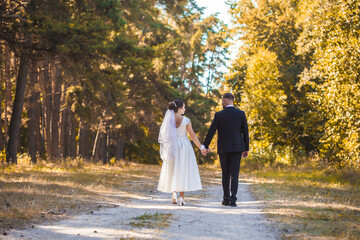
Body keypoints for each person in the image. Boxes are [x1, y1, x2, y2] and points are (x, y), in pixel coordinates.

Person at [201, 93, 249, 207]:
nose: (222, 102)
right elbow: (245, 133)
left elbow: (211, 131)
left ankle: (226, 199)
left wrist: (205, 145)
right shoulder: (241, 114)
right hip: (237, 148)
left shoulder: (219, 115)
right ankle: (233, 200)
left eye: (223, 100)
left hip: (224, 148)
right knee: (235, 174)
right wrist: (246, 148)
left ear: (227, 100)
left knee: (225, 173)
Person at [157, 99, 202, 205]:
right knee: (183, 170)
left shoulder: (168, 119)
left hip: (172, 146)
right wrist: (201, 147)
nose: (185, 109)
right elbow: (192, 135)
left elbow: (165, 135)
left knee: (173, 169)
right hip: (184, 146)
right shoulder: (186, 120)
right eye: (184, 107)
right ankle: (181, 197)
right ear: (179, 108)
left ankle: (173, 193)